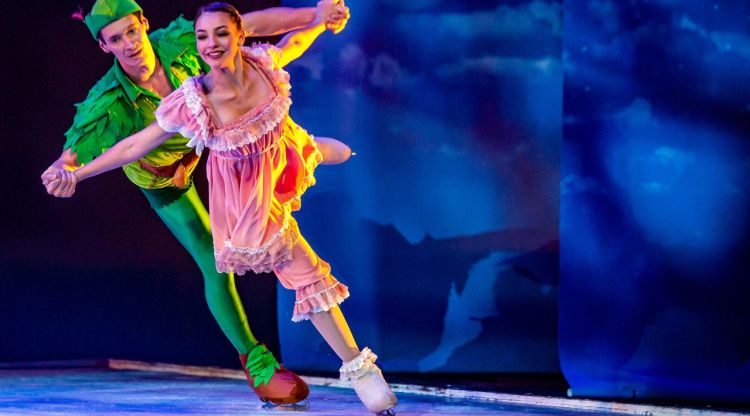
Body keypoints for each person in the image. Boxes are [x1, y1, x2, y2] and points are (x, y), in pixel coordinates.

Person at [45, 2, 398, 414]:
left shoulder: (233, 56)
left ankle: (308, 149)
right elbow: (129, 146)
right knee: (232, 261)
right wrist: (72, 171)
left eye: (132, 31)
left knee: (313, 149)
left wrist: (317, 17)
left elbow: (277, 35)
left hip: (261, 150)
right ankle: (270, 362)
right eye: (116, 39)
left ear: (144, 24)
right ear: (104, 46)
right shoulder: (157, 100)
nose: (129, 44)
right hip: (184, 179)